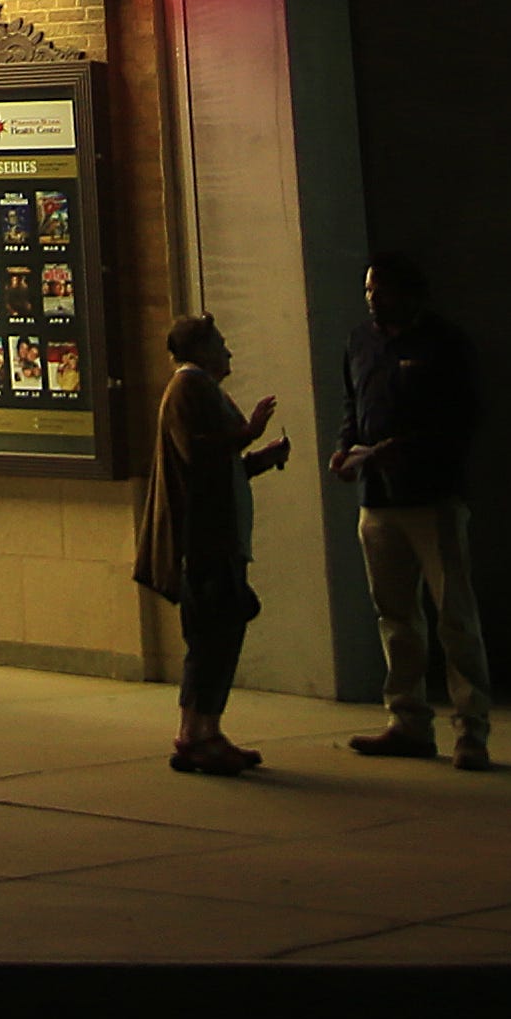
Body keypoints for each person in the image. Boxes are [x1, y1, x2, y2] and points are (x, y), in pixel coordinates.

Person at [330, 250, 493, 769]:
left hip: (433, 498)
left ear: (410, 292)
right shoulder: (360, 341)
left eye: (381, 290)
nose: (372, 298)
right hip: (377, 500)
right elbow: (352, 406)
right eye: (368, 290)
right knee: (395, 615)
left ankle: (471, 729)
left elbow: (464, 418)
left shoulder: (445, 343)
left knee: (455, 617)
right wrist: (346, 447)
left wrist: (412, 448)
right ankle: (407, 721)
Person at [136, 309, 289, 774]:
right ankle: (198, 732)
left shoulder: (202, 390)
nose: (228, 351)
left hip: (217, 536)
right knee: (213, 635)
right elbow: (198, 453)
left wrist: (259, 458)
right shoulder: (190, 387)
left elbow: (217, 469)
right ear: (200, 349)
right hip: (204, 541)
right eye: (220, 342)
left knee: (217, 633)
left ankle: (203, 729)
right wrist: (249, 432)